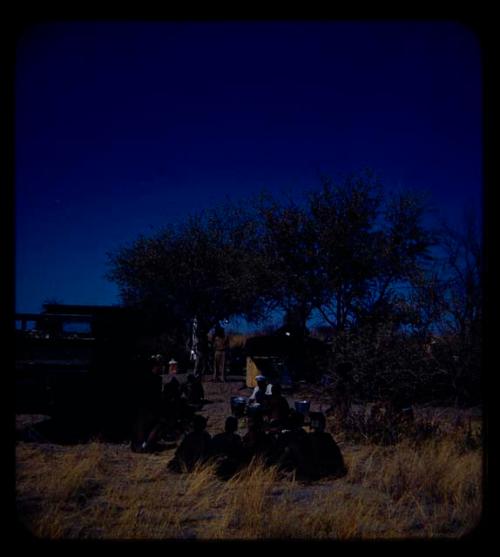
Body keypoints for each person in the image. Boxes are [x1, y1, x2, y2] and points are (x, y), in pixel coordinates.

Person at [308, 412, 347, 479]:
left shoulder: (324, 438)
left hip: (322, 470)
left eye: (315, 422)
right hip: (325, 470)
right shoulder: (326, 437)